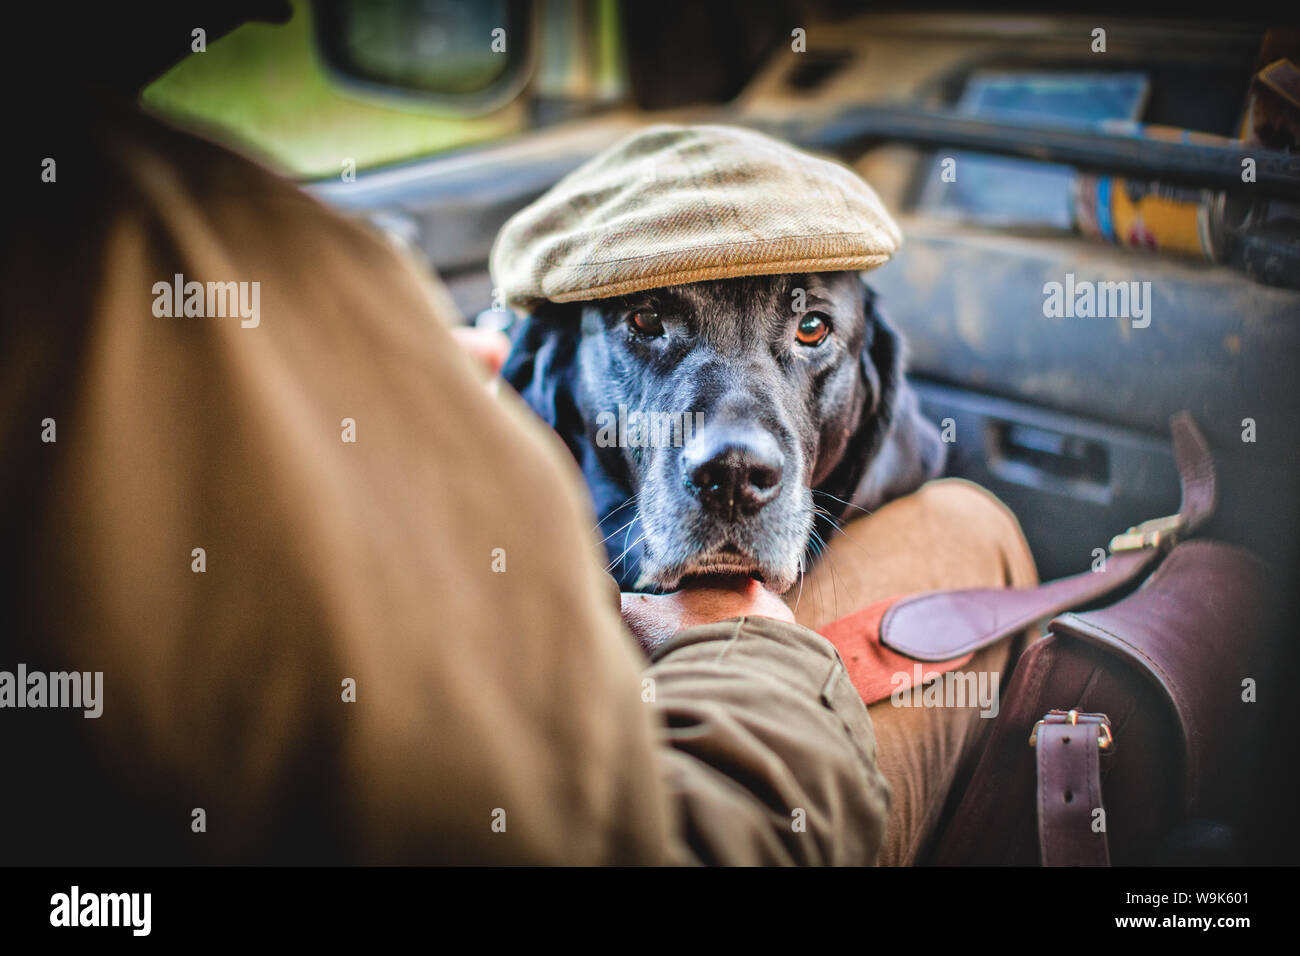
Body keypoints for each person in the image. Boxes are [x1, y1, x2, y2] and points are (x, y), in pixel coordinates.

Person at [1, 6, 1034, 866]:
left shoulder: (91, 242)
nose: (739, 449)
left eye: (808, 328)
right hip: (689, 801)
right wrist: (746, 636)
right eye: (645, 323)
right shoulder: (205, 252)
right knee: (964, 523)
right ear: (548, 379)